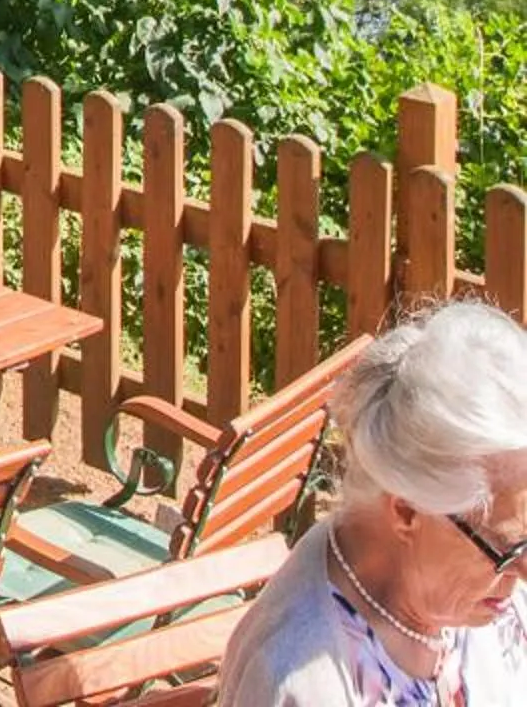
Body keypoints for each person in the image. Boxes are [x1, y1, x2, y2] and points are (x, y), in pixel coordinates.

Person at [216, 301, 527, 706]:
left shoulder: (461, 585)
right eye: (507, 551)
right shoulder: (302, 684)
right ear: (407, 511)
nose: (523, 572)